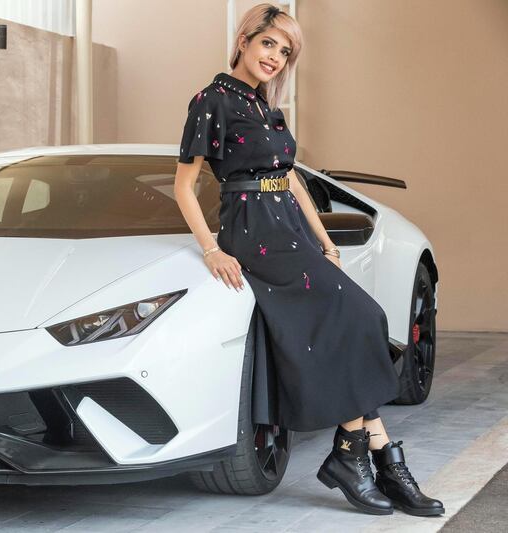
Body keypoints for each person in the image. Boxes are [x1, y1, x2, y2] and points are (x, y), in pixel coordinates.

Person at [173, 3, 444, 517]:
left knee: (362, 320)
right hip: (252, 231)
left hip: (290, 229)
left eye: (286, 51)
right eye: (269, 43)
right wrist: (211, 248)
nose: (275, 56)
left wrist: (327, 242)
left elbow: (291, 177)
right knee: (360, 317)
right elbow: (184, 185)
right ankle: (370, 458)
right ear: (245, 39)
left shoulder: (265, 107)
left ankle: (369, 453)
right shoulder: (212, 100)